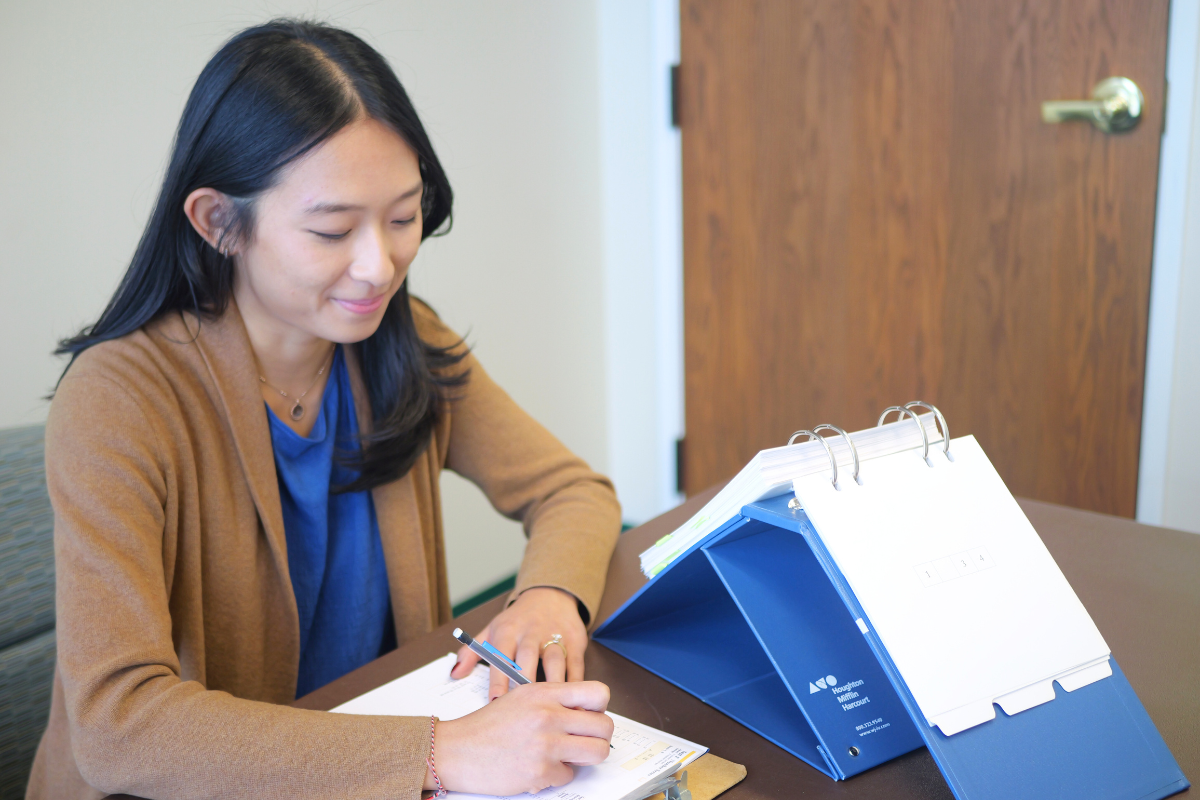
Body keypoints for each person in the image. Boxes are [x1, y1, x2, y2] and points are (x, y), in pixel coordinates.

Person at [26, 18, 621, 800]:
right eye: (332, 229)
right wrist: (442, 754)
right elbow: (117, 722)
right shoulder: (119, 399)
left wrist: (546, 596)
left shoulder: (399, 340)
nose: (379, 267)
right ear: (218, 223)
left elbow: (571, 492)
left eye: (404, 217)